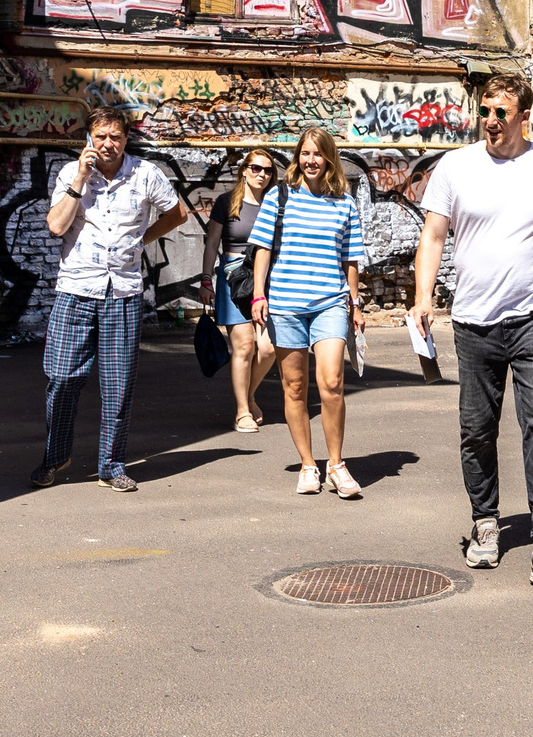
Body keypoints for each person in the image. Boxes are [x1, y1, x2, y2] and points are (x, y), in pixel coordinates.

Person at [411, 72, 533, 591]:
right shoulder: (456, 167)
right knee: (477, 429)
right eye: (486, 110)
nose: (491, 121)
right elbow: (432, 236)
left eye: (502, 112)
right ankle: (486, 522)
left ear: (524, 116)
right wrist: (424, 297)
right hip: (474, 323)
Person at [33, 105, 186, 492]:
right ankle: (55, 456)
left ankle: (111, 465)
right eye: (100, 136)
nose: (107, 144)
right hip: (76, 289)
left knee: (118, 383)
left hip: (123, 292)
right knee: (61, 377)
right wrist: (81, 178)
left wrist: (142, 240)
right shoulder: (71, 173)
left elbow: (178, 214)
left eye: (115, 136)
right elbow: (55, 225)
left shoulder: (145, 174)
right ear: (89, 138)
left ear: (125, 138)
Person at [250, 126, 367, 500]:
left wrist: (354, 303)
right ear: (297, 158)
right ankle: (307, 464)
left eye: (318, 154)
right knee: (295, 386)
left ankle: (336, 464)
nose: (311, 161)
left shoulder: (344, 203)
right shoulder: (279, 198)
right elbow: (263, 249)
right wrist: (258, 295)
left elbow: (351, 259)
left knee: (332, 382)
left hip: (330, 302)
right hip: (285, 304)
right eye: (305, 154)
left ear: (329, 158)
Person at [201, 148, 283, 433]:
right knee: (244, 346)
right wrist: (205, 280)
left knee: (269, 347)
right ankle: (242, 411)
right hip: (232, 278)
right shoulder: (227, 202)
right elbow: (212, 243)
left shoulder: (276, 204)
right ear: (244, 171)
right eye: (256, 168)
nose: (262, 174)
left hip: (266, 277)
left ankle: (249, 394)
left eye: (268, 170)